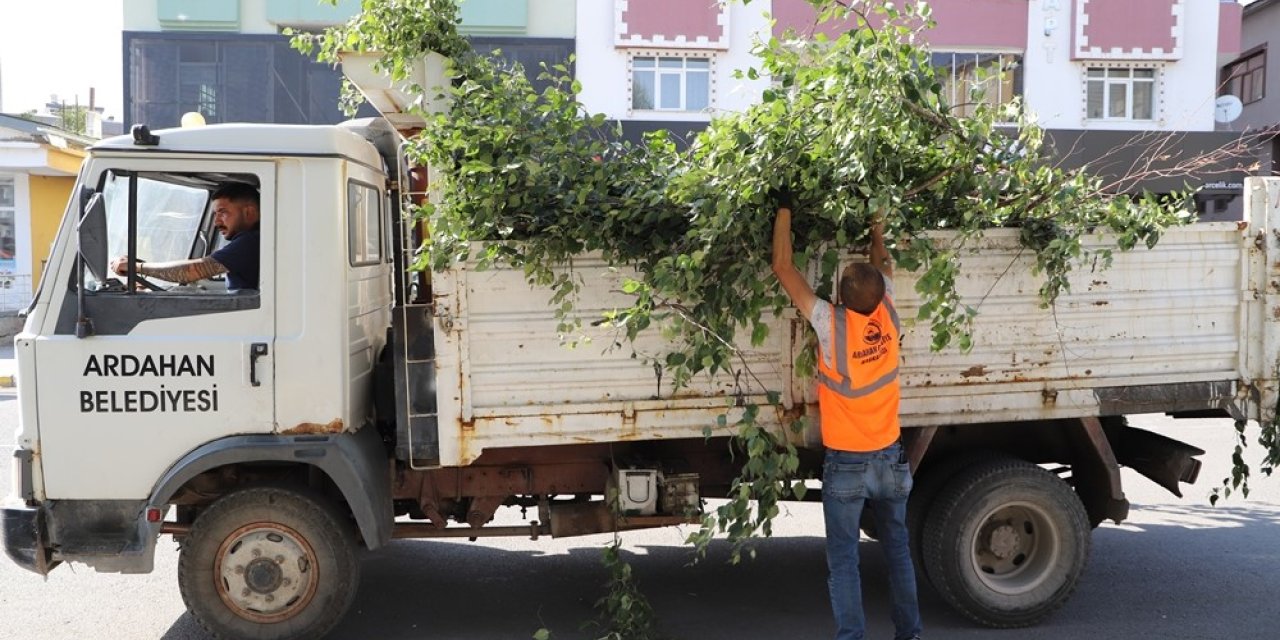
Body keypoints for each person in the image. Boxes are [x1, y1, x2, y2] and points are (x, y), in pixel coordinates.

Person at [769, 190, 922, 640]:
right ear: (880, 294)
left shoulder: (831, 325)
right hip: (890, 459)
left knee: (844, 561)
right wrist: (876, 228)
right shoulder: (890, 314)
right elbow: (885, 260)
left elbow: (784, 268)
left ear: (839, 296)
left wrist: (784, 209)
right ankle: (909, 635)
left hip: (848, 464)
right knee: (897, 550)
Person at [110, 182, 261, 290]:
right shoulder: (253, 239)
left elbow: (192, 271)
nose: (216, 222)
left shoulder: (250, 242)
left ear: (249, 212)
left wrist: (136, 267)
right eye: (215, 214)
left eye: (222, 212)